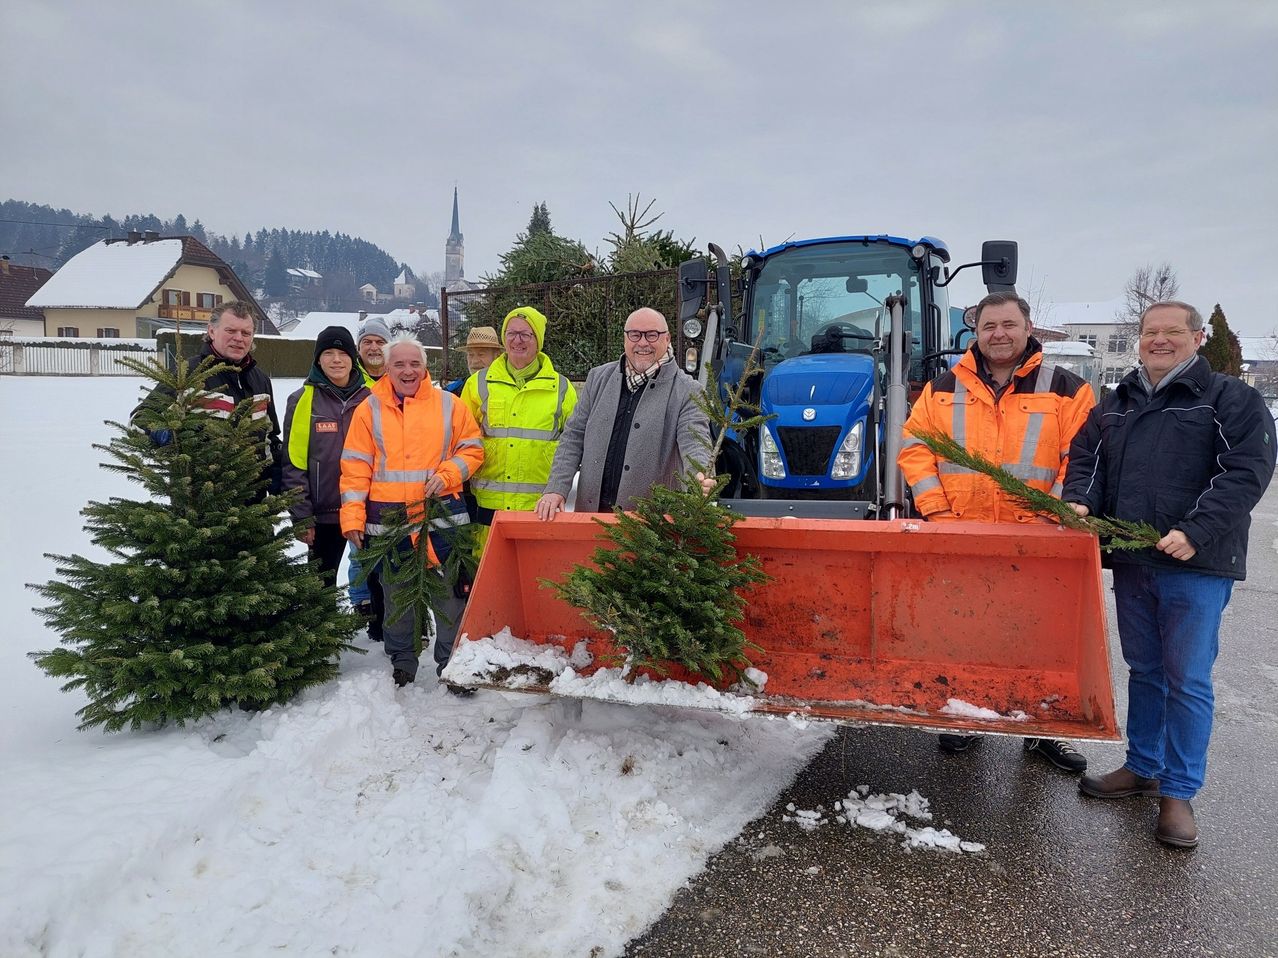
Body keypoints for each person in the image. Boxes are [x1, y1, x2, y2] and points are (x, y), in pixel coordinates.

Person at [1064, 301, 1275, 849]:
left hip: (1195, 564)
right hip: (1135, 559)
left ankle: (1178, 793)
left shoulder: (1231, 398)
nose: (1160, 340)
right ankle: (1143, 766)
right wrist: (1081, 504)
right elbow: (1087, 458)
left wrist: (1196, 530)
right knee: (1146, 669)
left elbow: (1246, 470)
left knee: (1187, 679)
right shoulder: (1118, 401)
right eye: (1149, 332)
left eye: (1172, 332)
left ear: (1198, 337)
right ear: (1139, 339)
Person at [898, 290, 1096, 772]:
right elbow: (915, 449)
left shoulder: (1068, 388)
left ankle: (1039, 727)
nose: (999, 335)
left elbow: (1084, 458)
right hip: (961, 533)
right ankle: (968, 716)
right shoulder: (943, 386)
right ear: (976, 333)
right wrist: (939, 515)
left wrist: (1048, 516)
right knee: (964, 625)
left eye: (1008, 325)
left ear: (1029, 329)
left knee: (1038, 635)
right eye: (989, 327)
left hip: (1037, 537)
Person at [340, 335, 485, 688]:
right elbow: (356, 468)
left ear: (425, 367)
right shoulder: (368, 409)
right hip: (389, 524)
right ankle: (402, 662)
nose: (408, 370)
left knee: (450, 599)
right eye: (399, 364)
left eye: (414, 364)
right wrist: (352, 518)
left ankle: (452, 667)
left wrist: (449, 473)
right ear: (386, 368)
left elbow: (473, 450)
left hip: (443, 521)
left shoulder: (450, 405)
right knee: (397, 599)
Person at [535, 307, 712, 520]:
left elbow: (695, 443)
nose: (643, 343)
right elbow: (574, 437)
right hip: (591, 516)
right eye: (635, 334)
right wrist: (556, 488)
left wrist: (699, 476)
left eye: (652, 335)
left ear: (667, 339)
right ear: (625, 339)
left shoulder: (687, 391)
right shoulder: (597, 379)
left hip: (648, 527)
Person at [134, 300, 282, 496]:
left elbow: (270, 437)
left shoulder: (260, 380)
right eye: (231, 331)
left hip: (252, 505)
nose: (239, 338)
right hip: (199, 505)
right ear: (211, 331)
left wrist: (276, 475)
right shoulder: (187, 374)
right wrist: (171, 440)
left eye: (246, 333)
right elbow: (139, 420)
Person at [462, 308, 577, 544]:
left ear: (539, 341)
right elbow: (461, 441)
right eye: (511, 333)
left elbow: (575, 446)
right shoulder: (477, 384)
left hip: (540, 511)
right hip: (486, 510)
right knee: (487, 577)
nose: (517, 340)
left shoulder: (562, 389)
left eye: (526, 334)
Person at [280, 326, 371, 589]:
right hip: (323, 517)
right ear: (318, 359)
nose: (336, 360)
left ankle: (379, 631)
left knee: (377, 582)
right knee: (320, 586)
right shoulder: (302, 400)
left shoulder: (371, 399)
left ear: (352, 358)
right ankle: (321, 632)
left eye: (342, 353)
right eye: (328, 353)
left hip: (367, 511)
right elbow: (294, 463)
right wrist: (302, 516)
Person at [347, 316, 393, 626]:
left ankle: (387, 603)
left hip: (393, 479)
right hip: (358, 473)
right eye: (368, 342)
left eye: (379, 342)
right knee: (358, 545)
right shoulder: (349, 382)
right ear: (358, 348)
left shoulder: (400, 378)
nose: (374, 347)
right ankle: (361, 599)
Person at [444, 326, 503, 396]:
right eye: (471, 354)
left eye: (481, 354)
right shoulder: (451, 392)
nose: (475, 361)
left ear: (496, 356)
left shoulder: (508, 389)